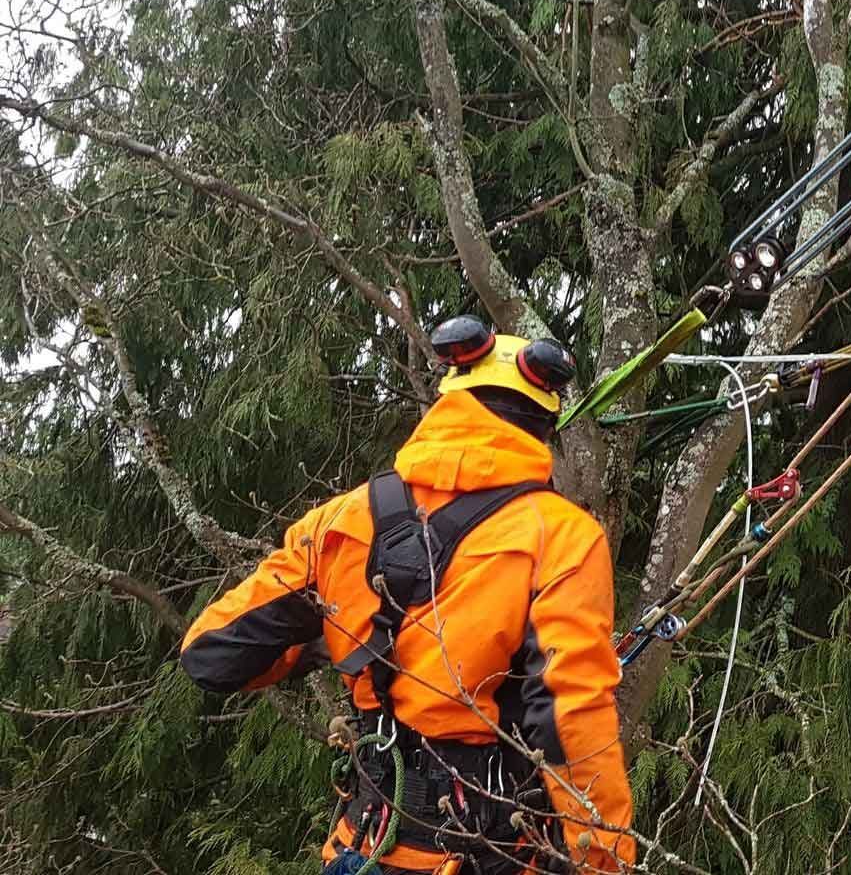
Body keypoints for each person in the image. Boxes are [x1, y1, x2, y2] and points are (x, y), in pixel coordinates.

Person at [180, 316, 635, 874]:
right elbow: (571, 717)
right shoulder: (562, 537)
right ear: (544, 426)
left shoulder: (341, 521)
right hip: (487, 856)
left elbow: (212, 653)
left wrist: (342, 629)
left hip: (363, 848)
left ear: (447, 405)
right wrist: (605, 862)